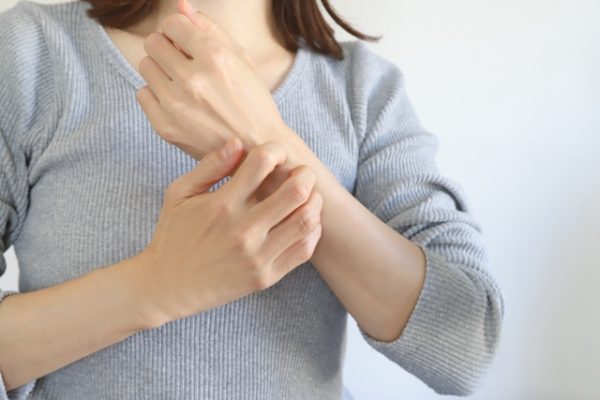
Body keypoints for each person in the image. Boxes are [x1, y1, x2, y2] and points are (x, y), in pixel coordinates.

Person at [0, 0, 505, 398]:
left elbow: (466, 346)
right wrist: (157, 284)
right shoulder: (31, 53)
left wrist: (268, 141)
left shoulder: (365, 91)